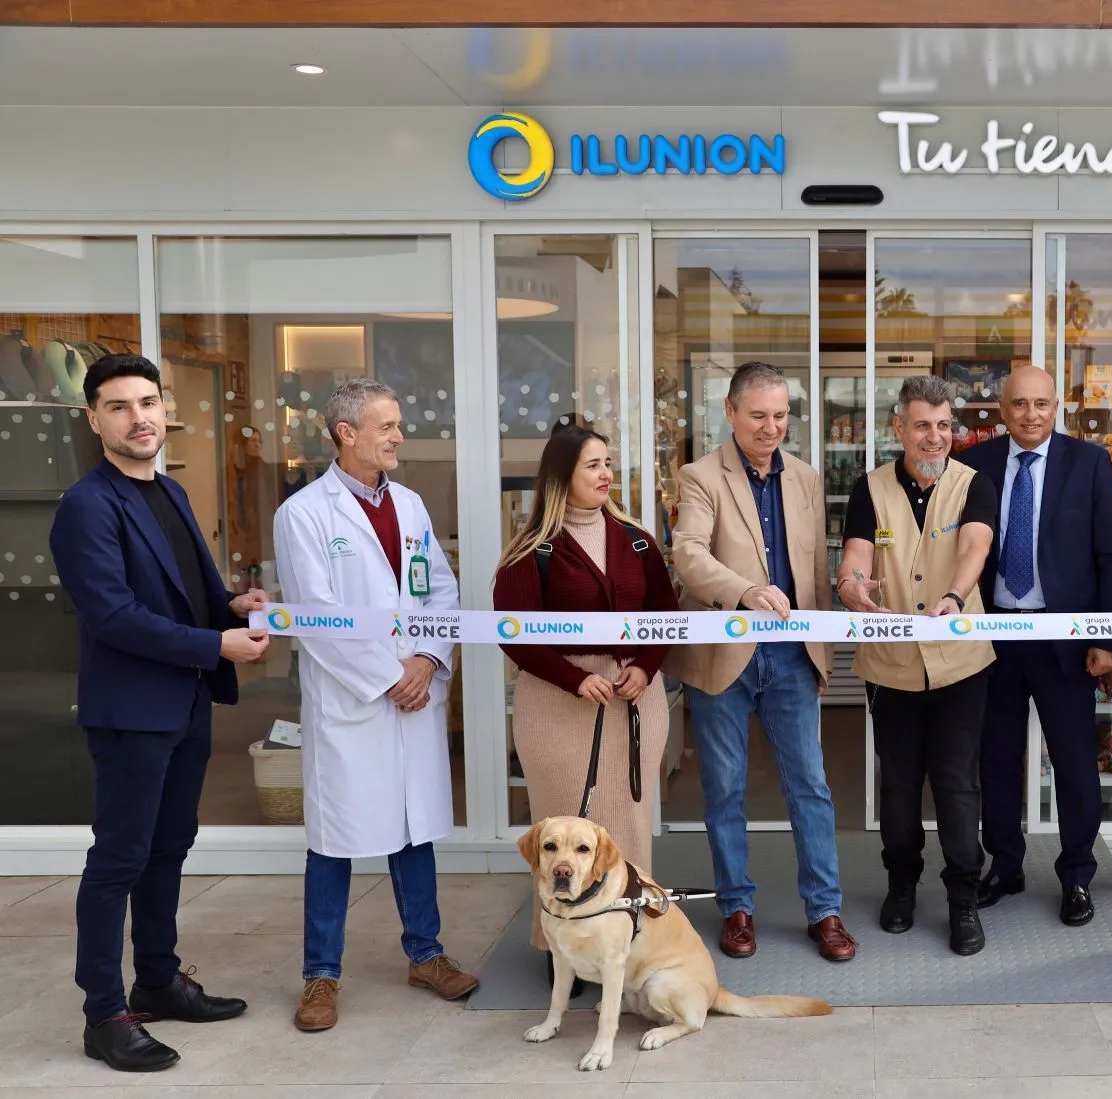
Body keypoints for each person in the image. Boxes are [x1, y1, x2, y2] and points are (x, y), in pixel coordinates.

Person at [50, 354, 269, 1073]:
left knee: (169, 846)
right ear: (94, 419)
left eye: (148, 402)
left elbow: (188, 592)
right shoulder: (87, 505)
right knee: (118, 858)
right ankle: (104, 1013)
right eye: (119, 406)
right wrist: (215, 643)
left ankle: (158, 978)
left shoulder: (169, 490)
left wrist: (231, 606)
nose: (139, 417)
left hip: (185, 700)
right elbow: (113, 615)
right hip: (131, 711)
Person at [272, 378, 478, 1033]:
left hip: (413, 693)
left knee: (413, 830)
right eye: (386, 426)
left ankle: (427, 954)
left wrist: (428, 661)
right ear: (346, 433)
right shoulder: (304, 514)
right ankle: (321, 975)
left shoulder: (410, 506)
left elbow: (441, 591)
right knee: (334, 841)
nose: (398, 436)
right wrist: (391, 676)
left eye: (397, 425)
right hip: (353, 702)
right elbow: (317, 617)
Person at [665, 361, 855, 963]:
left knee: (811, 787)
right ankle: (736, 908)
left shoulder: (806, 478)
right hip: (725, 657)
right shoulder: (700, 476)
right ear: (729, 412)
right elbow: (689, 555)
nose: (771, 427)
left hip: (792, 657)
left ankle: (825, 911)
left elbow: (816, 571)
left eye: (780, 415)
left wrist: (821, 653)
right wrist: (744, 591)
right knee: (725, 790)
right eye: (758, 416)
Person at [493, 425, 678, 970]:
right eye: (592, 465)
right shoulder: (531, 551)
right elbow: (515, 635)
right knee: (563, 828)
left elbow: (666, 615)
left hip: (634, 698)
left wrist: (645, 667)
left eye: (607, 463)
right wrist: (573, 677)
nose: (605, 474)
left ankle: (629, 939)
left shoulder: (637, 539)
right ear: (562, 476)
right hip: (557, 703)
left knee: (629, 826)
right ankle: (563, 951)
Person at [953, 365, 1112, 926]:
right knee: (996, 760)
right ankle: (1005, 865)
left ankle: (1077, 874)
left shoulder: (1089, 462)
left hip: (1065, 641)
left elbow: (1111, 555)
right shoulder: (975, 463)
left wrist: (1108, 638)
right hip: (993, 637)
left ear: (1058, 408)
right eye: (1019, 404)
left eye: (1041, 404)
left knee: (1075, 763)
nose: (1031, 415)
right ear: (1002, 410)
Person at [837, 374, 998, 956]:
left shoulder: (974, 484)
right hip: (891, 665)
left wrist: (954, 596)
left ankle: (962, 897)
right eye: (923, 425)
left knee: (956, 784)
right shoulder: (870, 488)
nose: (935, 437)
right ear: (899, 428)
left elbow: (975, 546)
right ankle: (901, 884)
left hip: (961, 664)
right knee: (900, 785)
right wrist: (852, 585)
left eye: (944, 425)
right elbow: (856, 557)